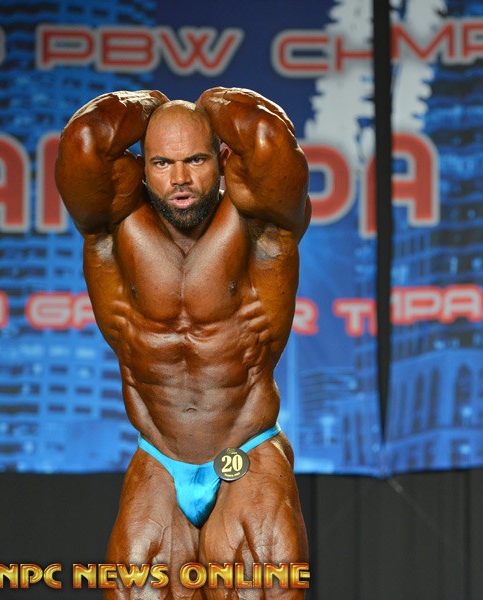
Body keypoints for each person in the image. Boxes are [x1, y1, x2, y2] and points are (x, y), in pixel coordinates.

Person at [55, 87, 312, 599]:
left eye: (195, 159)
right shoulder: (112, 226)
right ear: (140, 167)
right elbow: (85, 139)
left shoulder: (261, 226)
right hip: (159, 458)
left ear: (221, 160)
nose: (179, 179)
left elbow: (267, 136)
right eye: (162, 162)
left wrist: (211, 103)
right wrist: (150, 105)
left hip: (245, 454)